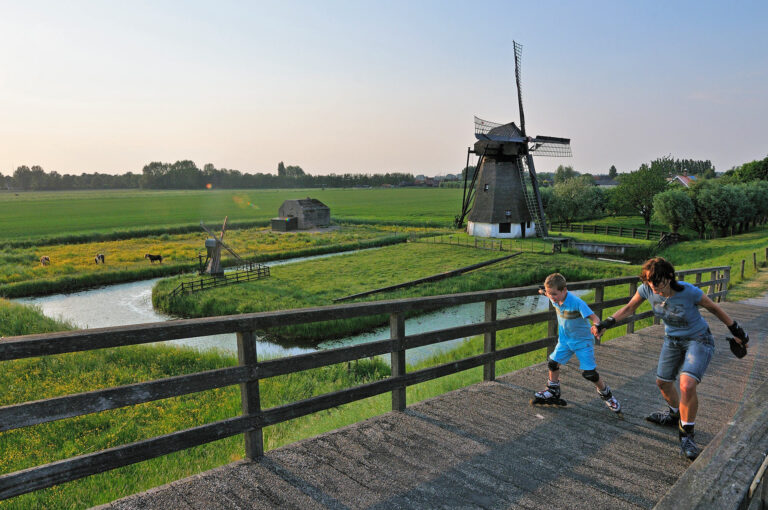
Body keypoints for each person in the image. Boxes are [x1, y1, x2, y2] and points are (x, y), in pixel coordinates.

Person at [595, 257, 750, 461]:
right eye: (649, 281)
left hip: (699, 339)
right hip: (672, 340)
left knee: (686, 385)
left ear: (669, 277)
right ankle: (675, 414)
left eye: (656, 281)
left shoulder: (689, 291)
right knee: (663, 382)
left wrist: (736, 330)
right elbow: (629, 308)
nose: (653, 286)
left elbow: (713, 307)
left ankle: (686, 434)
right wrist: (608, 322)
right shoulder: (647, 290)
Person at [532, 273, 622, 415]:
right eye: (549, 294)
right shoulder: (553, 297)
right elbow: (546, 292)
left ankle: (607, 394)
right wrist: (543, 292)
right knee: (553, 363)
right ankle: (553, 390)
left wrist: (596, 326)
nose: (551, 297)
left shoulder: (577, 302)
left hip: (582, 342)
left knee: (590, 374)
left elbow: (595, 317)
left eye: (554, 294)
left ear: (564, 290)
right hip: (565, 341)